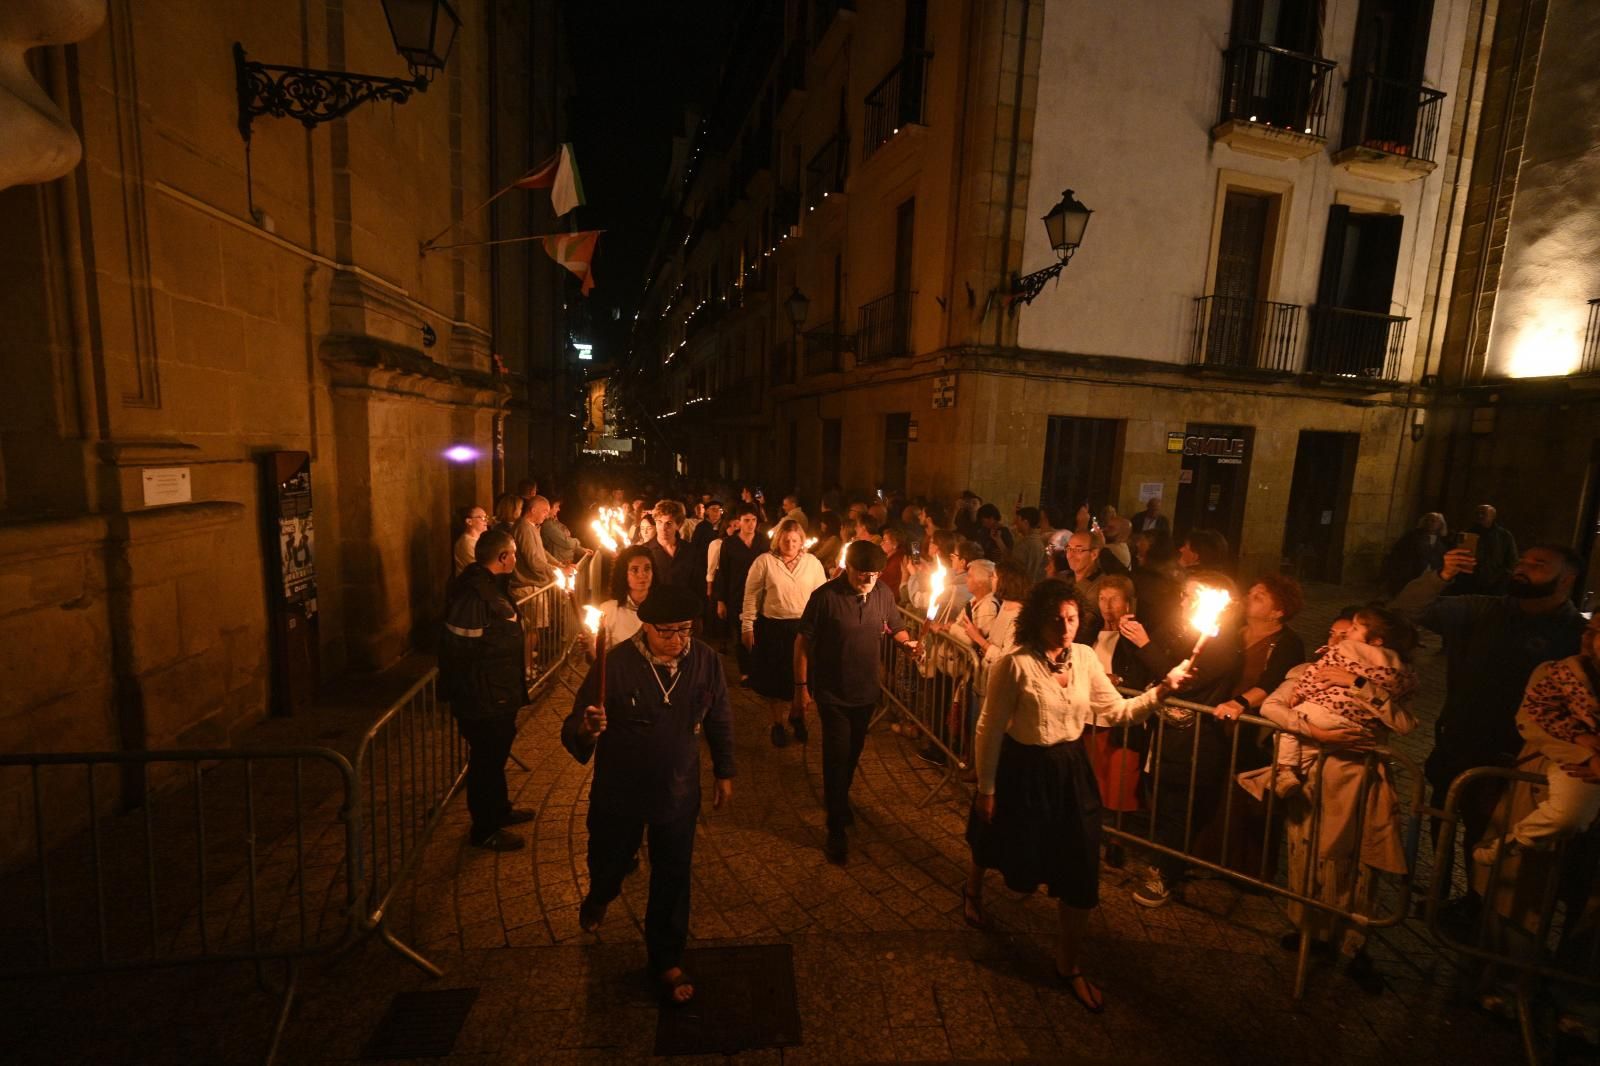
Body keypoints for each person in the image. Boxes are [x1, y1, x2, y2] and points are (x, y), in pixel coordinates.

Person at [964, 580, 1186, 1011]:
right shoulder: (1013, 664)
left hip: (1071, 771)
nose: (1066, 628)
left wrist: (1162, 691)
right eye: (1056, 619)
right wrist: (986, 788)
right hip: (1023, 768)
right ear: (1037, 620)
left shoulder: (1084, 658)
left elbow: (1116, 711)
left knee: (1081, 864)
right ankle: (972, 890)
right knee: (995, 835)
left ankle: (1068, 965)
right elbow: (988, 728)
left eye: (1072, 619)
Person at [1390, 543, 1587, 918]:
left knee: (1491, 833)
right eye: (1523, 560)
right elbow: (1406, 611)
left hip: (1518, 758)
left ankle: (1481, 909)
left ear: (1567, 579)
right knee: (1444, 819)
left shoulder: (1575, 633)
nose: (1523, 567)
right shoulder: (1483, 609)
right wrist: (1441, 576)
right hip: (1459, 741)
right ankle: (1439, 893)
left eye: (1538, 564)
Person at [563, 586, 736, 1007]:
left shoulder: (705, 661)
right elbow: (574, 727)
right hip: (621, 790)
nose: (678, 640)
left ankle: (666, 959)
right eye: (667, 632)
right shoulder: (615, 665)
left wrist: (724, 770)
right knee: (610, 862)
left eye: (685, 630)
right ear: (646, 627)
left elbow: (719, 716)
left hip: (677, 789)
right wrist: (588, 728)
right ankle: (600, 895)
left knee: (673, 875)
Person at [793, 541, 917, 863]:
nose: (869, 580)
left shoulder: (882, 594)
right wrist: (801, 688)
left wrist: (908, 645)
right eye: (863, 574)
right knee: (836, 756)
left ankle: (839, 798)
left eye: (875, 574)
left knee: (852, 754)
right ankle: (835, 827)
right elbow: (802, 643)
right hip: (833, 693)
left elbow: (896, 628)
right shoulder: (825, 598)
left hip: (866, 693)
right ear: (848, 568)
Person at [1241, 605, 1417, 800]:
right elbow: (1271, 707)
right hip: (1309, 785)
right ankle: (1276, 778)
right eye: (1332, 634)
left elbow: (1404, 724)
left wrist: (1357, 684)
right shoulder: (1308, 671)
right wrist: (1319, 734)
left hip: (1349, 780)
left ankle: (1275, 777)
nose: (1337, 641)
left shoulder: (1381, 677)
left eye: (1347, 634)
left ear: (1374, 643)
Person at [1474, 612, 1600, 864]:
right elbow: (1532, 721)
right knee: (1567, 818)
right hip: (1556, 776)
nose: (1588, 638)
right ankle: (1510, 844)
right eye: (1589, 630)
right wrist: (1589, 755)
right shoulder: (1556, 673)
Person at [437, 529, 532, 851]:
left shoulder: (491, 586)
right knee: (485, 762)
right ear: (502, 557)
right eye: (513, 553)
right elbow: (460, 650)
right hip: (483, 697)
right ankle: (485, 829)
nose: (516, 558)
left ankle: (499, 810)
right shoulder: (473, 595)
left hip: (496, 692)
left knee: (496, 756)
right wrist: (473, 692)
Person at [742, 518, 827, 746]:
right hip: (774, 629)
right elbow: (751, 596)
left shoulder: (812, 563)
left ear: (801, 541)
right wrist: (747, 625)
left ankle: (797, 716)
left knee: (802, 678)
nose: (790, 544)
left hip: (803, 629)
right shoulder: (765, 562)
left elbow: (821, 596)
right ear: (778, 540)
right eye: (786, 540)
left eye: (795, 540)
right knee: (776, 680)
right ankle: (778, 723)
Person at [714, 506, 767, 682]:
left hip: (760, 595)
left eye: (754, 520)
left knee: (759, 633)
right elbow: (722, 572)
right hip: (736, 595)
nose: (751, 524)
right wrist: (720, 600)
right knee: (740, 633)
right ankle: (745, 671)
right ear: (739, 522)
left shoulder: (762, 541)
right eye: (746, 520)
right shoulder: (729, 543)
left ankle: (757, 668)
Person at [593, 545, 653, 649]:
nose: (642, 574)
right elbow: (602, 654)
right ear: (624, 574)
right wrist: (590, 645)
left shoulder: (662, 607)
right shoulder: (609, 611)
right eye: (635, 570)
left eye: (647, 568)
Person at [1381, 512, 1448, 595]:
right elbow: (1399, 554)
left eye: (1433, 521)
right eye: (1427, 520)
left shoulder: (1441, 543)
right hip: (1410, 576)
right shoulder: (1411, 537)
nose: (1430, 523)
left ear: (1441, 525)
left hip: (1429, 578)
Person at [1460, 503, 1520, 595]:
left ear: (1493, 516)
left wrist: (1504, 577)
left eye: (1483, 513)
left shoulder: (1504, 536)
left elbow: (1512, 559)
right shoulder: (1467, 534)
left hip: (1497, 584)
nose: (1480, 516)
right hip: (1471, 583)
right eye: (1477, 513)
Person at [646, 500, 697, 598]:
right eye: (659, 522)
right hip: (656, 604)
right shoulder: (645, 551)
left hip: (684, 604)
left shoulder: (689, 550)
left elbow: (697, 583)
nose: (663, 528)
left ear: (678, 525)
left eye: (668, 523)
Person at [510, 494, 556, 591]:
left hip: (533, 585)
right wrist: (556, 570)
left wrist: (560, 565)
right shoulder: (523, 528)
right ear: (533, 510)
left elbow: (542, 552)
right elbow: (533, 560)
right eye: (545, 511)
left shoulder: (532, 527)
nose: (547, 516)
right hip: (527, 587)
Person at [540, 497, 582, 565]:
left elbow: (568, 538)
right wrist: (577, 542)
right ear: (548, 508)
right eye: (556, 506)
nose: (559, 509)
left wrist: (581, 550)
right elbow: (567, 542)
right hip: (560, 563)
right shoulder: (548, 525)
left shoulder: (555, 521)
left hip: (566, 562)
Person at [1011, 507, 1048, 585]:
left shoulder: (1031, 543)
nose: (1015, 524)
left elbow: (1031, 572)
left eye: (1018, 521)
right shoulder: (1029, 540)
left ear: (1025, 522)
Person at [453, 504, 489, 576]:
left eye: (486, 517)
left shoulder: (479, 540)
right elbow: (481, 569)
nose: (486, 521)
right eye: (482, 518)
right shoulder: (467, 543)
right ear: (469, 521)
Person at [879, 526, 908, 597]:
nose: (881, 543)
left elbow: (882, 583)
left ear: (895, 544)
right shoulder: (891, 558)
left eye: (885, 540)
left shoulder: (897, 561)